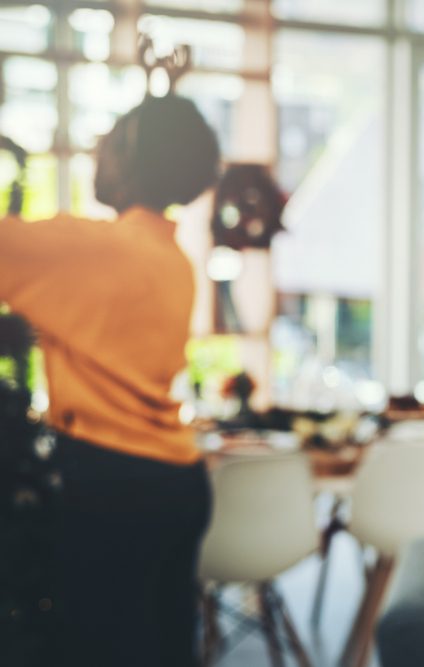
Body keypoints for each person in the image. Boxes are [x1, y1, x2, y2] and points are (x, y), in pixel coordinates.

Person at [0, 93, 219, 667]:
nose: (97, 150)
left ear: (131, 159)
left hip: (107, 485)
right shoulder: (173, 261)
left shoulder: (89, 249)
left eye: (110, 138)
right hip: (177, 482)